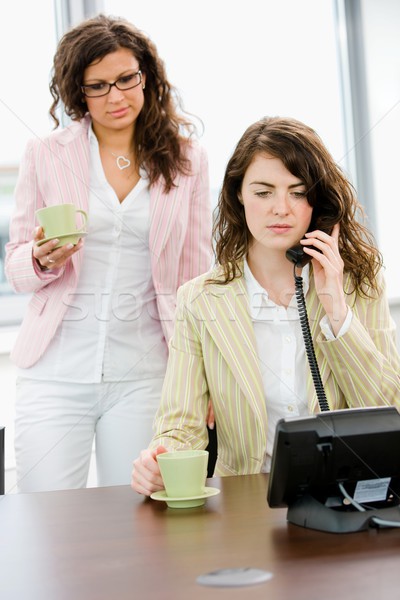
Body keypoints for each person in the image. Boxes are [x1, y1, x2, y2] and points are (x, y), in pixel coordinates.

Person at [131, 115, 400, 496]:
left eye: (298, 191)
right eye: (263, 192)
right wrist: (160, 461)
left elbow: (389, 415)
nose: (281, 209)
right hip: (245, 506)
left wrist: (337, 312)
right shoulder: (199, 299)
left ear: (318, 202)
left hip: (345, 498)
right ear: (238, 195)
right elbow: (180, 427)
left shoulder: (359, 284)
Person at [5, 14, 212, 492]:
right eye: (98, 86)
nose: (116, 97)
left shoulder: (188, 161)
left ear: (148, 77)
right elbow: (16, 264)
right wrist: (41, 258)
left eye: (126, 79)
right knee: (47, 519)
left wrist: (202, 374)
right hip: (55, 372)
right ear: (78, 92)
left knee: (137, 515)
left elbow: (196, 276)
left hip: (146, 372)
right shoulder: (44, 153)